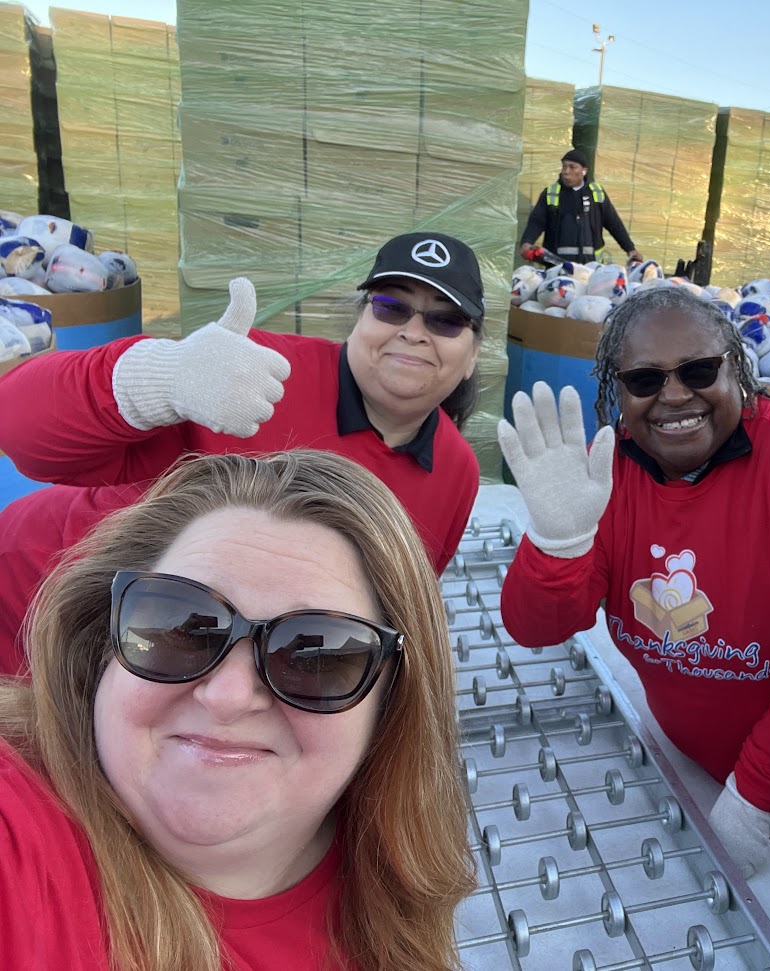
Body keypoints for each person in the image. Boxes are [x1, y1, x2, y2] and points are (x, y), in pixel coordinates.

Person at [495, 286, 770, 904]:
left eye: (700, 370)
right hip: (684, 758)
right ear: (616, 389)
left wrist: (756, 792)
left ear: (737, 368)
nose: (675, 394)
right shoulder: (611, 471)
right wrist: (558, 543)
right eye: (645, 378)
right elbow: (540, 626)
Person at [0, 450, 475, 971]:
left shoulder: (391, 896)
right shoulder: (20, 836)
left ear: (390, 703)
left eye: (316, 658)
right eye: (179, 626)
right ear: (104, 644)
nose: (227, 697)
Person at [0, 230, 486, 675]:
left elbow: (384, 612)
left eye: (446, 320)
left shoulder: (456, 471)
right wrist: (158, 379)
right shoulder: (250, 371)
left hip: (171, 662)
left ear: (472, 357)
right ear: (359, 319)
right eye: (391, 307)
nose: (414, 331)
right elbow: (19, 427)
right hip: (37, 604)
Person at [519, 148, 643, 263]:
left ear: (584, 171)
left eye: (572, 167)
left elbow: (613, 222)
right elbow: (536, 222)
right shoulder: (551, 194)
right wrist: (527, 242)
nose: (566, 172)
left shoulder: (596, 193)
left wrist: (630, 249)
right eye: (564, 167)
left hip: (591, 267)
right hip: (557, 267)